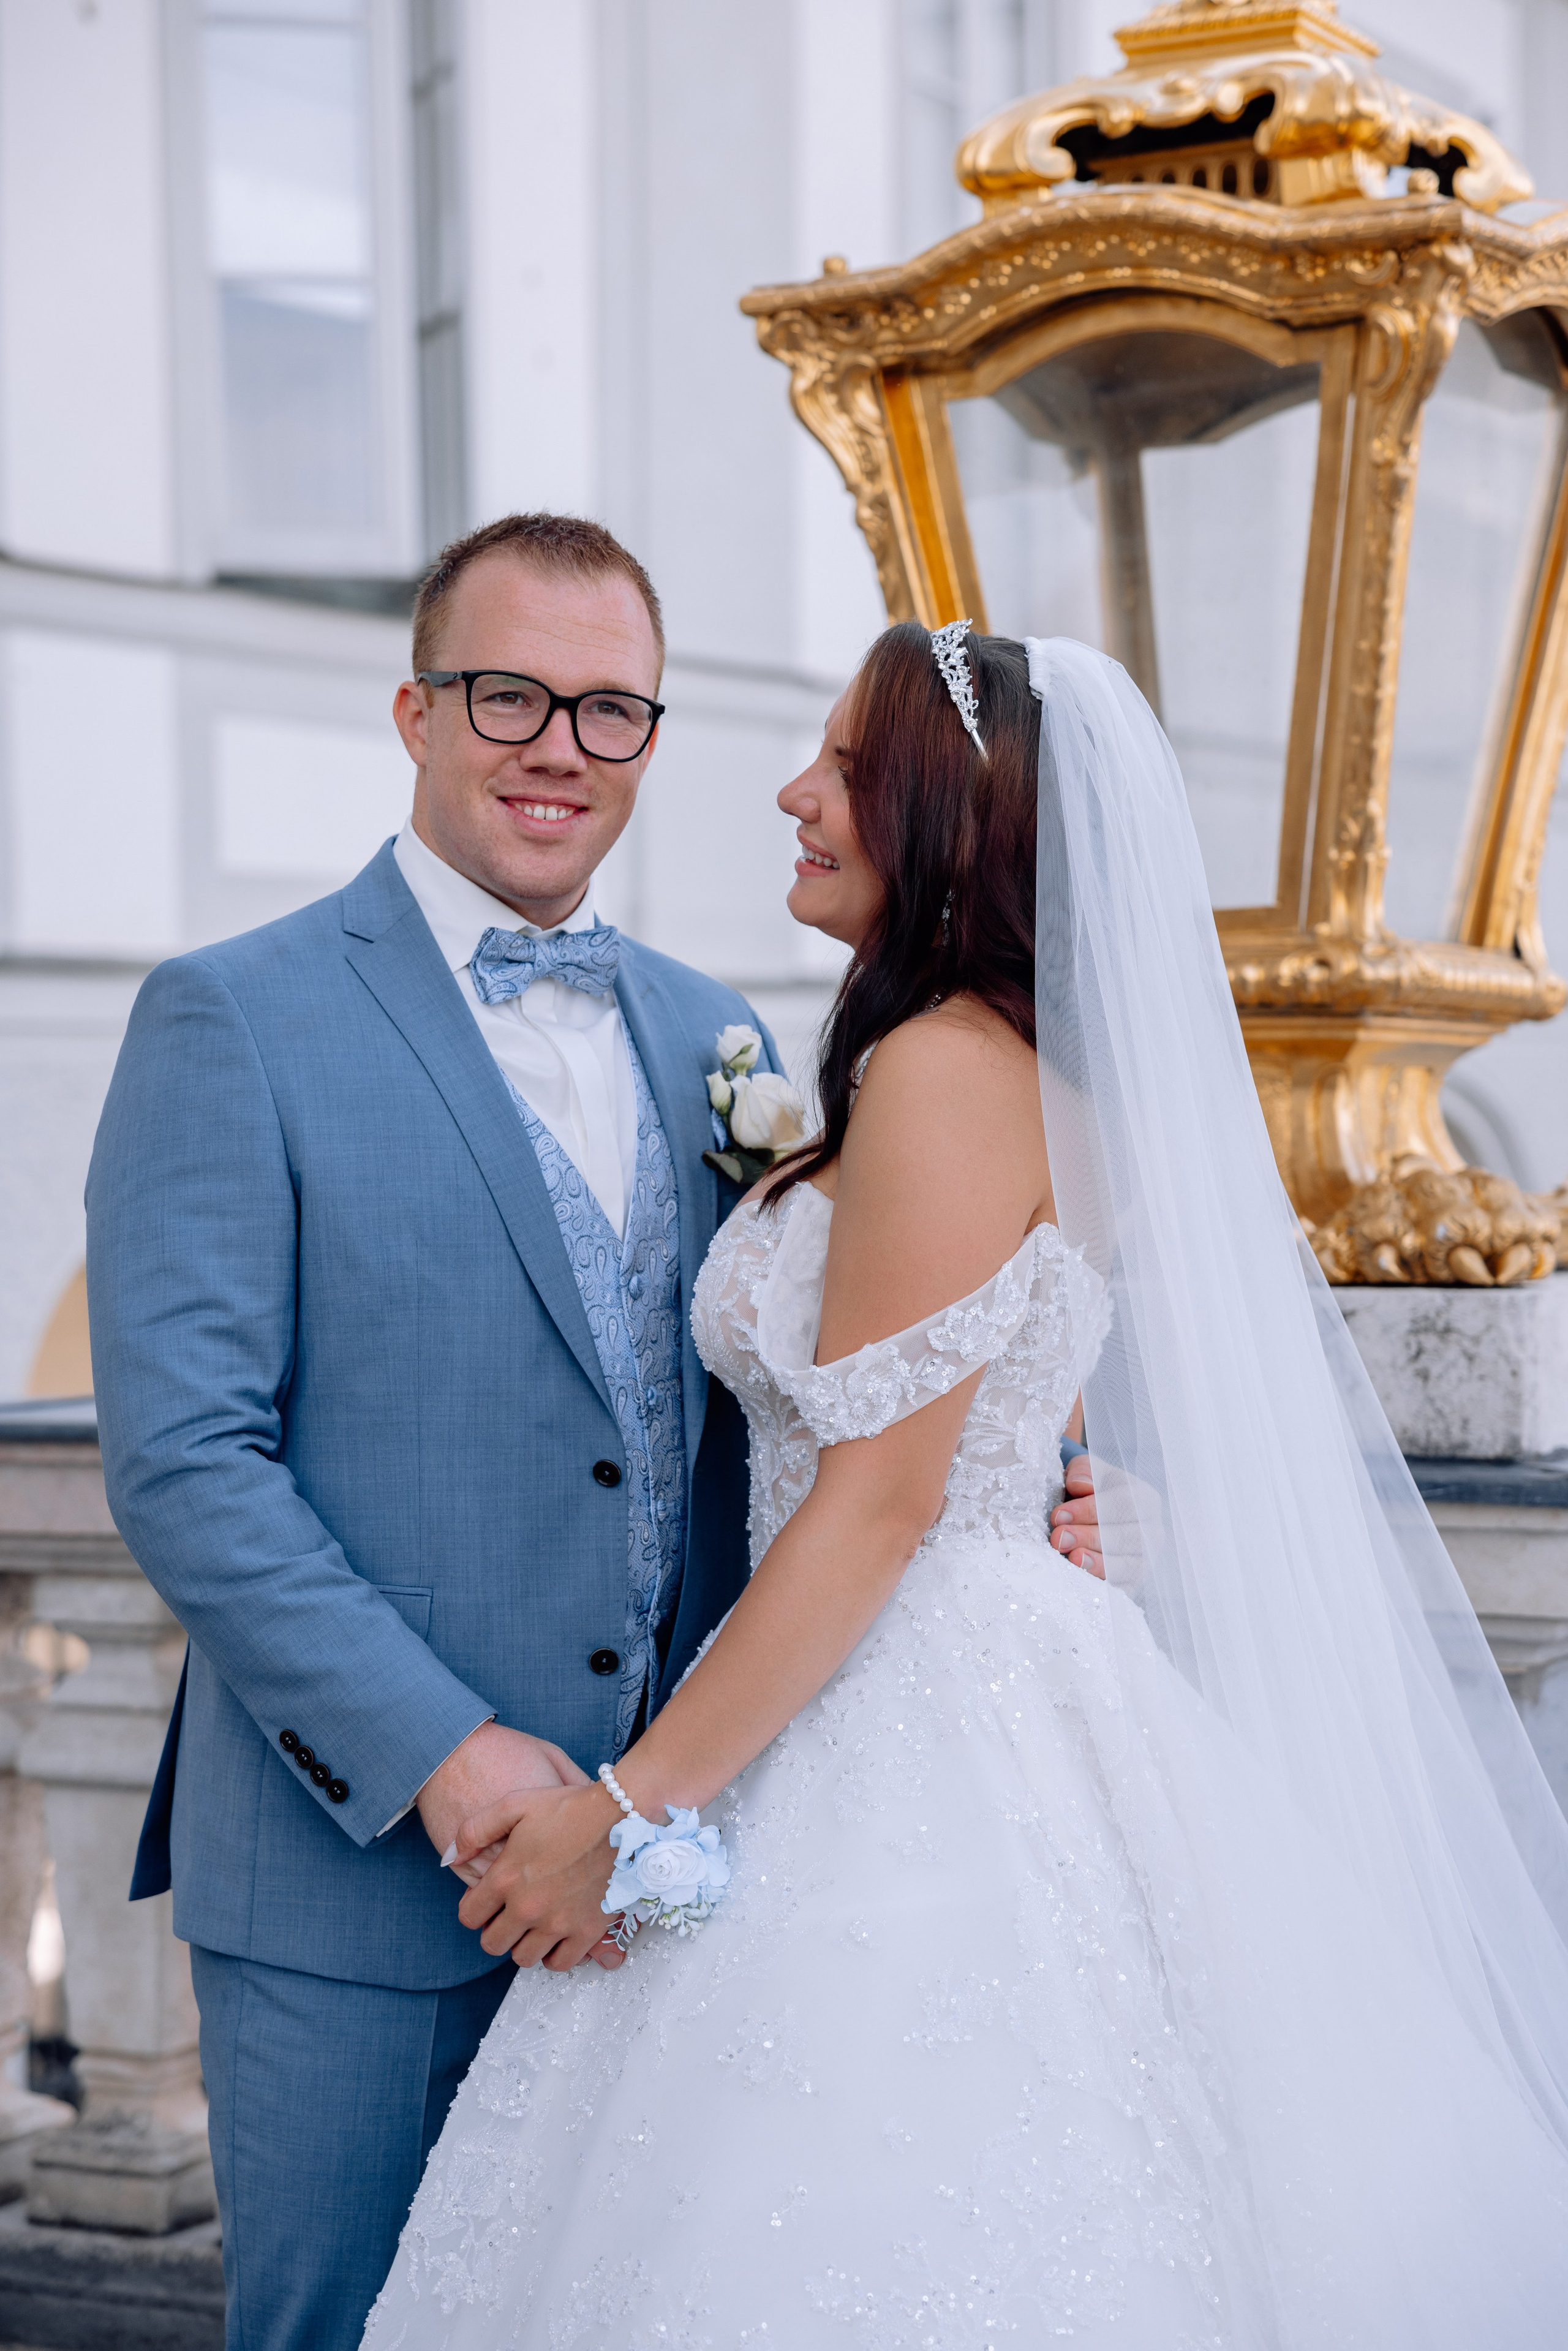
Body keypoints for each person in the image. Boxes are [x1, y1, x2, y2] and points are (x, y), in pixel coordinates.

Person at [365, 622, 1568, 2349]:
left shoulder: (941, 1068)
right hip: (941, 1659)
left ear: (944, 817)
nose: (796, 792)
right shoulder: (1003, 1066)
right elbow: (1004, 1388)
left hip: (905, 1693)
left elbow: (880, 1504)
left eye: (845, 766)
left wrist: (627, 1818)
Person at [87, 519, 1120, 2349]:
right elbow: (186, 1460)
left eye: (611, 709)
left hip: (697, 1872)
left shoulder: (717, 1031)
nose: (558, 745)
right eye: (509, 695)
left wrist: (1023, 1498)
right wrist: (453, 1759)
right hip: (367, 1878)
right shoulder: (230, 1018)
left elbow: (832, 1403)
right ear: (414, 708)